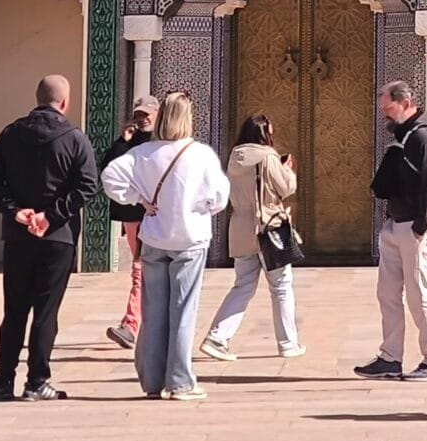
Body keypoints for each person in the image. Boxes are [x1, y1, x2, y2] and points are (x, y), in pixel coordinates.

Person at [101, 90, 230, 401]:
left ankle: (151, 379)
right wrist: (198, 205)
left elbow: (110, 177)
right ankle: (181, 381)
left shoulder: (142, 154)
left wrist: (139, 199)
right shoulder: (200, 154)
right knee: (183, 311)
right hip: (189, 239)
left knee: (153, 309)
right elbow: (220, 197)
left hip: (154, 239)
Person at [0, 72, 101, 401]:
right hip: (57, 238)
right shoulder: (75, 138)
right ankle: (37, 381)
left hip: (18, 237)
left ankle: (3, 380)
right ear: (64, 102)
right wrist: (52, 216)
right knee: (46, 311)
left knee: (14, 310)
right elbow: (88, 185)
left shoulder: (10, 135)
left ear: (37, 100)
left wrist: (15, 210)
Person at [360, 81, 427, 383]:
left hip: (416, 227)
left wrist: (421, 225)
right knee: (387, 292)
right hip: (396, 224)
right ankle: (390, 357)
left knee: (418, 294)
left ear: (405, 102)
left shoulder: (425, 137)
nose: (384, 116)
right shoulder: (405, 136)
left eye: (388, 109)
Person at [201, 113, 301, 362]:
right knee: (281, 286)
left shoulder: (234, 157)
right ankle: (288, 343)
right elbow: (286, 188)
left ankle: (217, 337)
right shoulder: (268, 156)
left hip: (241, 228)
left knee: (243, 285)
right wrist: (287, 169)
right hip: (268, 227)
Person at [100, 95, 159, 350]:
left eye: (147, 114)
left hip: (157, 215)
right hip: (135, 216)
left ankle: (135, 325)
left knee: (145, 270)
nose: (142, 119)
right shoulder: (129, 143)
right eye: (139, 115)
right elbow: (108, 170)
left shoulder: (163, 143)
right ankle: (133, 324)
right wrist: (121, 142)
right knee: (141, 268)